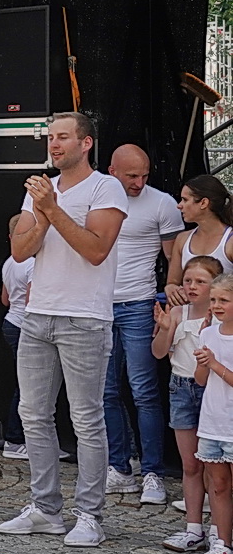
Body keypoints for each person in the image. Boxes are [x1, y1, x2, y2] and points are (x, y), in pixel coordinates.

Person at [0, 112, 128, 549]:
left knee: (86, 418)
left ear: (86, 142)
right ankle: (46, 509)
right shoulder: (41, 189)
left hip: (84, 316)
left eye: (63, 137)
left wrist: (51, 208)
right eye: (50, 137)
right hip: (38, 313)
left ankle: (89, 515)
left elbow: (96, 250)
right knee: (32, 415)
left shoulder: (105, 188)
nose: (54, 145)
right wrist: (43, 210)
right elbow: (19, 251)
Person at [94, 143, 184, 505]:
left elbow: (174, 256)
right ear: (113, 170)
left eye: (144, 175)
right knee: (106, 393)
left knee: (144, 390)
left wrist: (175, 288)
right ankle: (121, 467)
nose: (139, 182)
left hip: (138, 302)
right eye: (132, 175)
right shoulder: (97, 195)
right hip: (98, 303)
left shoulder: (160, 202)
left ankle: (152, 473)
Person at [152, 257, 218, 554]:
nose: (191, 287)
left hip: (212, 391)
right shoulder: (177, 312)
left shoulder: (221, 318)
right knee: (190, 465)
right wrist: (165, 328)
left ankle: (219, 530)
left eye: (200, 282)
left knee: (213, 467)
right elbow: (158, 352)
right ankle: (193, 529)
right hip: (180, 388)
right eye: (188, 280)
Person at [190, 274, 233, 554]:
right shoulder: (208, 334)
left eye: (224, 300)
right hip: (212, 422)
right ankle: (222, 543)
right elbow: (200, 380)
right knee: (218, 486)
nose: (217, 305)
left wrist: (215, 364)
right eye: (214, 299)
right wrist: (203, 363)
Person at [0, 215, 33, 462]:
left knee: (25, 386)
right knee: (28, 388)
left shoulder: (10, 262)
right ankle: (15, 439)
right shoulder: (32, 263)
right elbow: (33, 303)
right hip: (25, 326)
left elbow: (5, 300)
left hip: (10, 322)